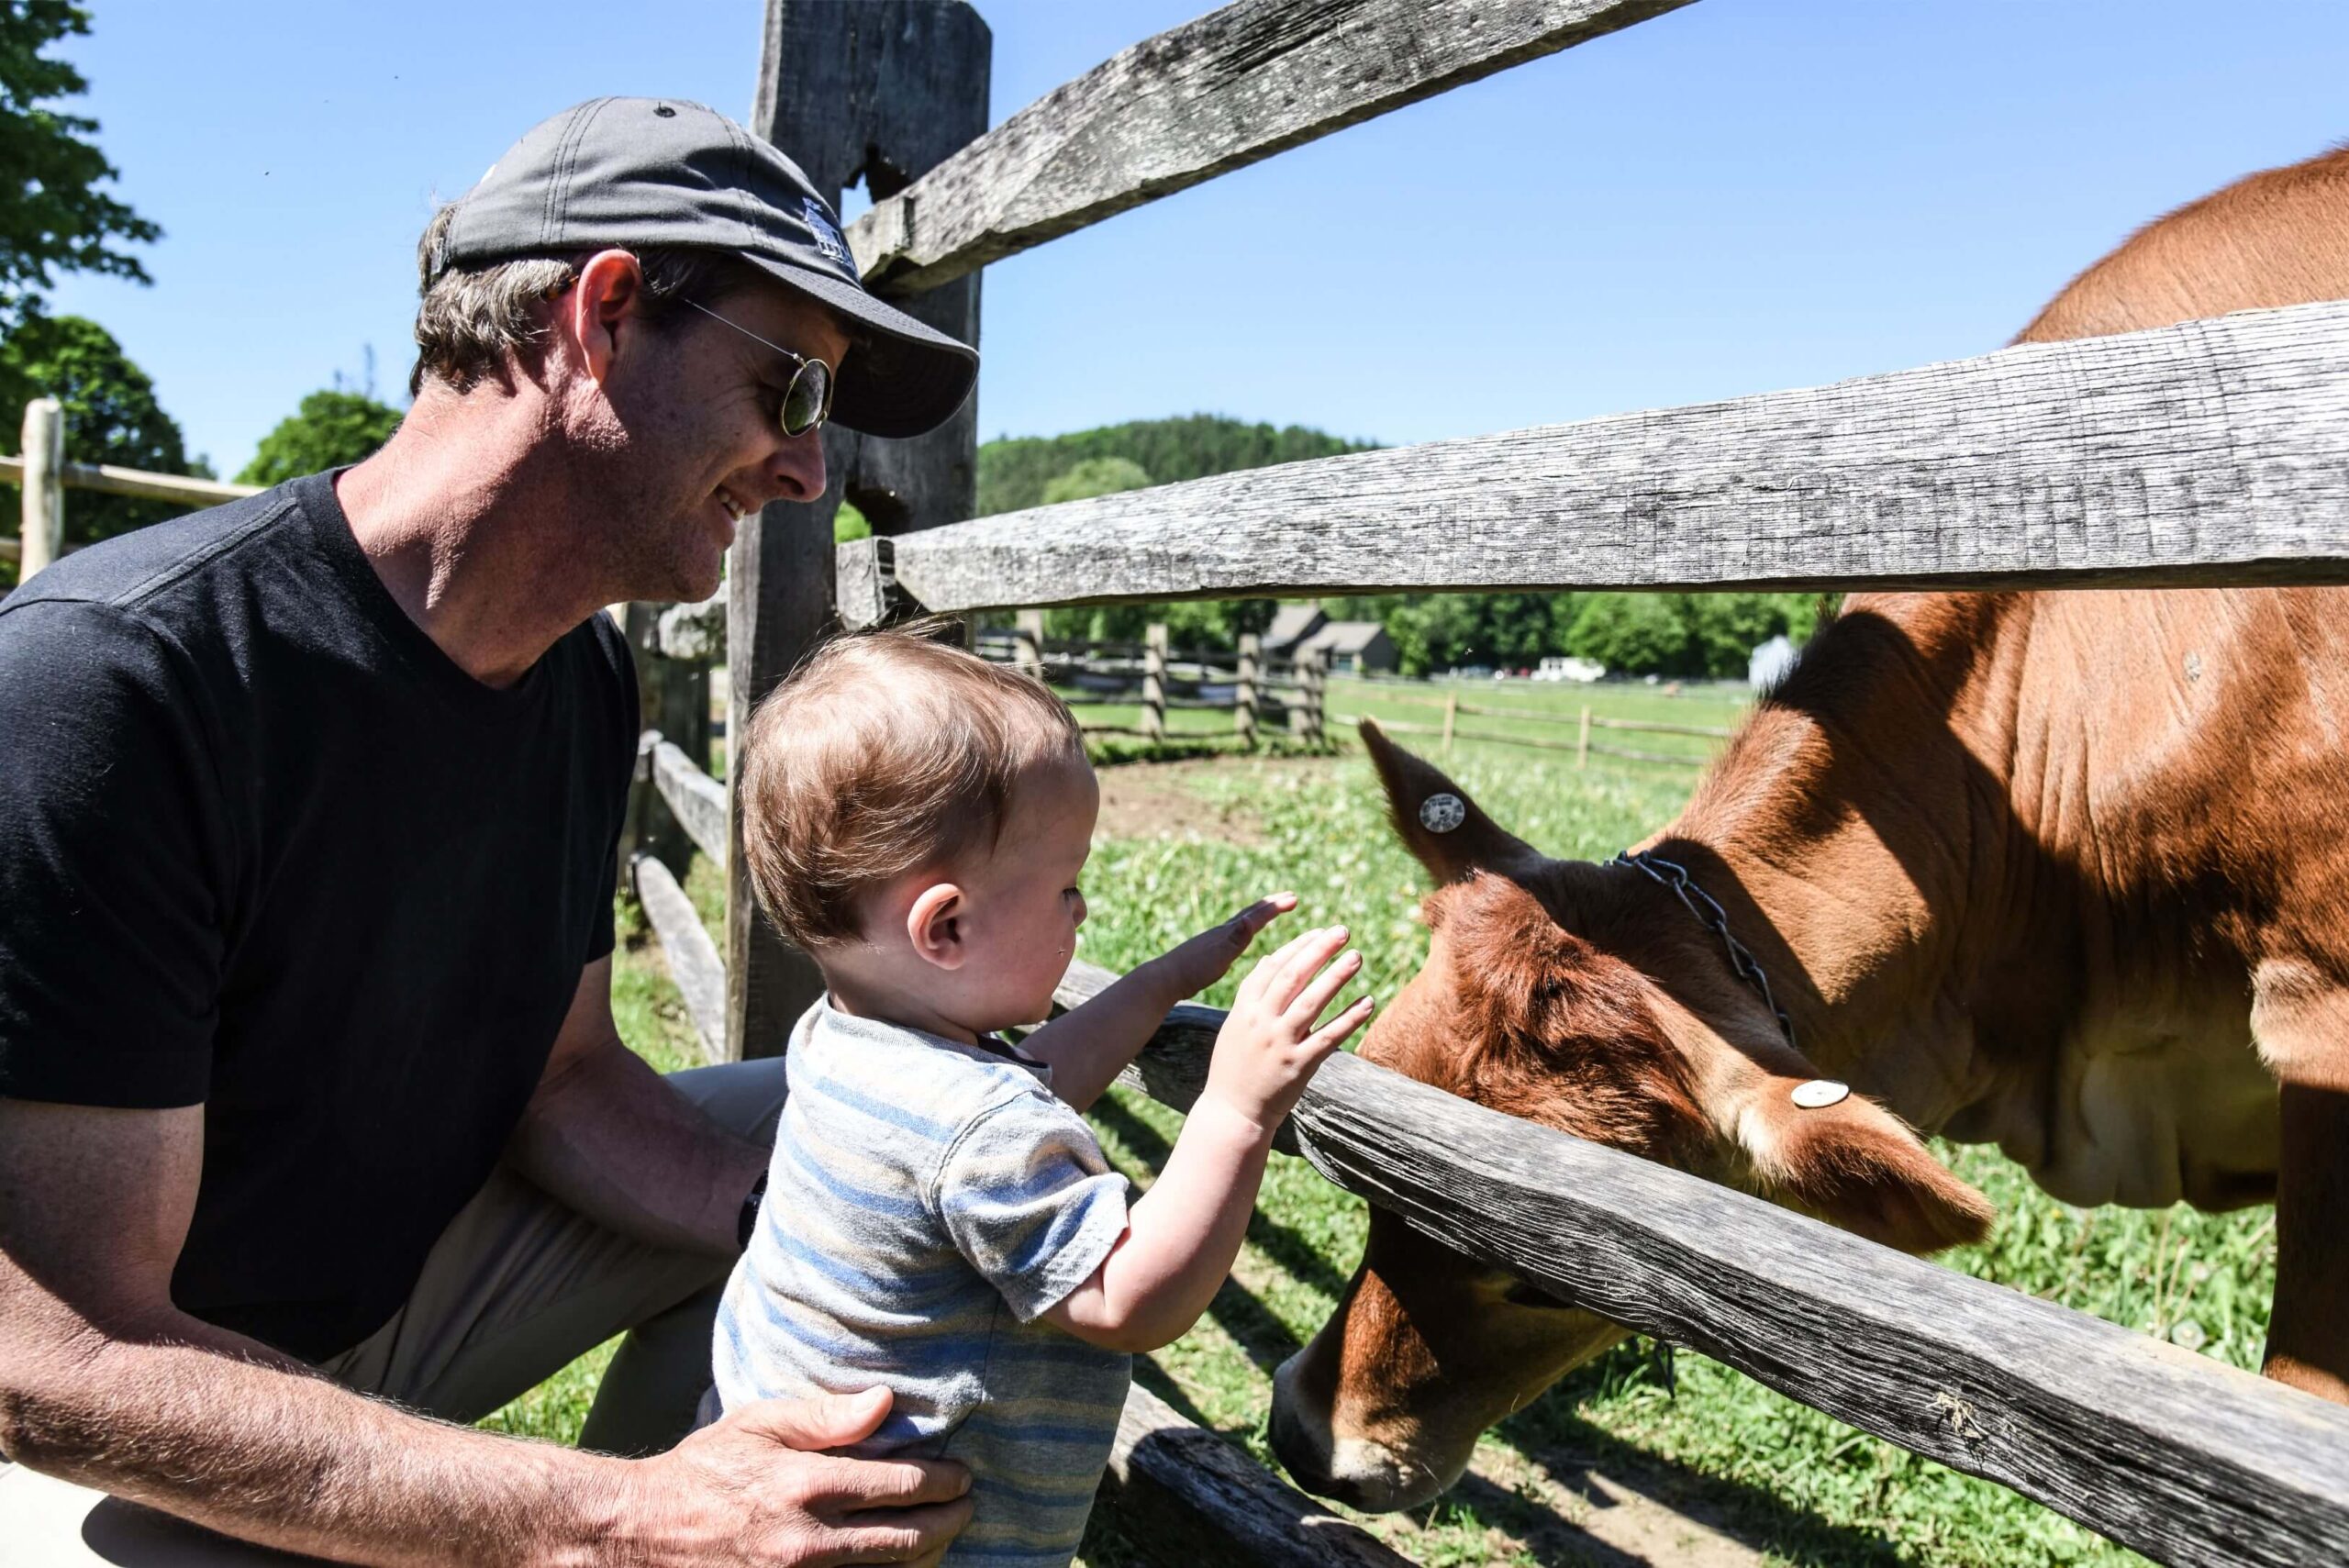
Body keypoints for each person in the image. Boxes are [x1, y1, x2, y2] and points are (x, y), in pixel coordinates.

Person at [0, 99, 986, 1564]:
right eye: (792, 393)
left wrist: (860, 1217)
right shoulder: (112, 680)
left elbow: (567, 1079)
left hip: (381, 1315)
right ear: (601, 315)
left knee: (842, 1137)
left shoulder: (580, 671)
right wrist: (619, 1518)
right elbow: (54, 1361)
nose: (807, 474)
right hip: (116, 1423)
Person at [713, 630, 1374, 1567]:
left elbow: (1036, 1075)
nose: (1081, 909)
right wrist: (1237, 1104)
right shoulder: (974, 1129)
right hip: (930, 1544)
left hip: (794, 1483)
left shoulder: (848, 1038)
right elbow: (1127, 1296)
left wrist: (1158, 984)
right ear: (945, 925)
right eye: (1067, 884)